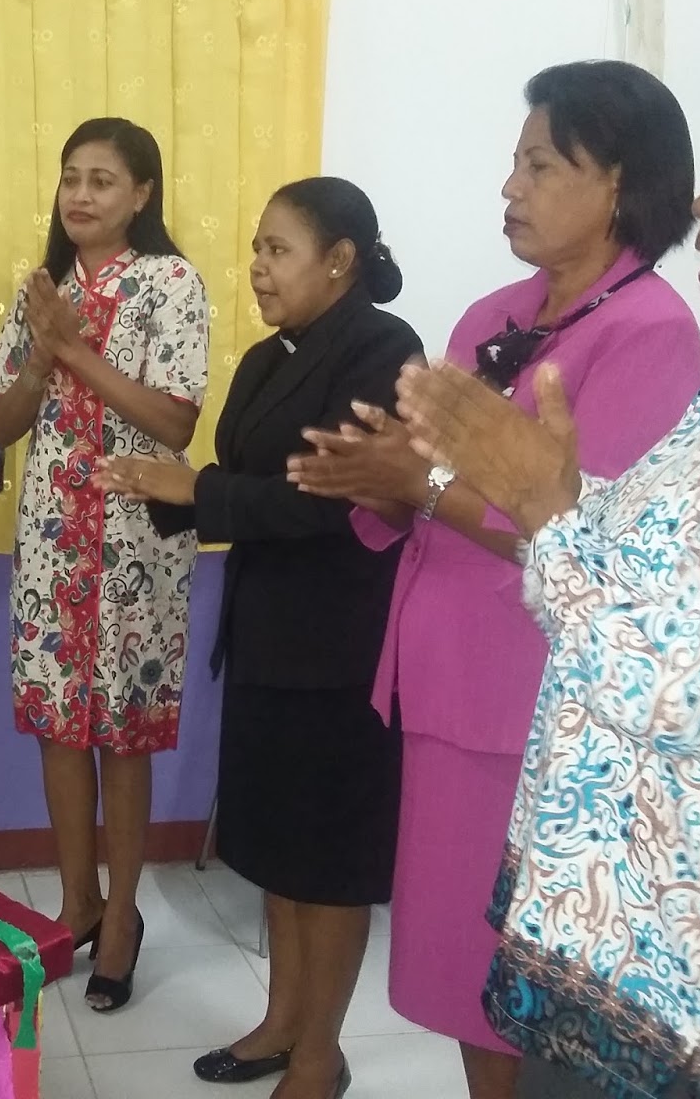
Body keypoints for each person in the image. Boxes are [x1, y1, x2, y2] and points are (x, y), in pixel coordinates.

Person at [391, 26, 700, 1099]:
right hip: (632, 944)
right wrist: (556, 497)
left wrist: (539, 505)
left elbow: (674, 677)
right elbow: (666, 557)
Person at [287, 62, 700, 1099]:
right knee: (456, 962)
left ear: (618, 183)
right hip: (443, 682)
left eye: (541, 164)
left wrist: (420, 483)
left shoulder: (651, 332)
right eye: (514, 162)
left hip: (530, 704)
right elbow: (433, 485)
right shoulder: (494, 313)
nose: (510, 186)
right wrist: (377, 479)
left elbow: (585, 535)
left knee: (517, 974)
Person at [97, 179, 422, 1099]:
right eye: (256, 249)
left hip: (341, 646)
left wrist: (193, 491)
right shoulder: (267, 358)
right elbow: (239, 480)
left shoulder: (383, 350)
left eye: (278, 249)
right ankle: (281, 1023)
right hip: (268, 636)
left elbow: (333, 496)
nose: (258, 268)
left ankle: (321, 1055)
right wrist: (159, 487)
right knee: (280, 853)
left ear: (340, 259)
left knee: (329, 865)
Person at [0, 116, 210, 1013]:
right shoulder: (44, 290)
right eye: (71, 177)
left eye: (102, 180)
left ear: (141, 194)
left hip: (135, 541)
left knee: (121, 728)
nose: (80, 194)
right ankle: (76, 901)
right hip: (51, 533)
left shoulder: (170, 284)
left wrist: (75, 348)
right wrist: (43, 354)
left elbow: (176, 421)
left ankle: (123, 916)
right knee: (58, 722)